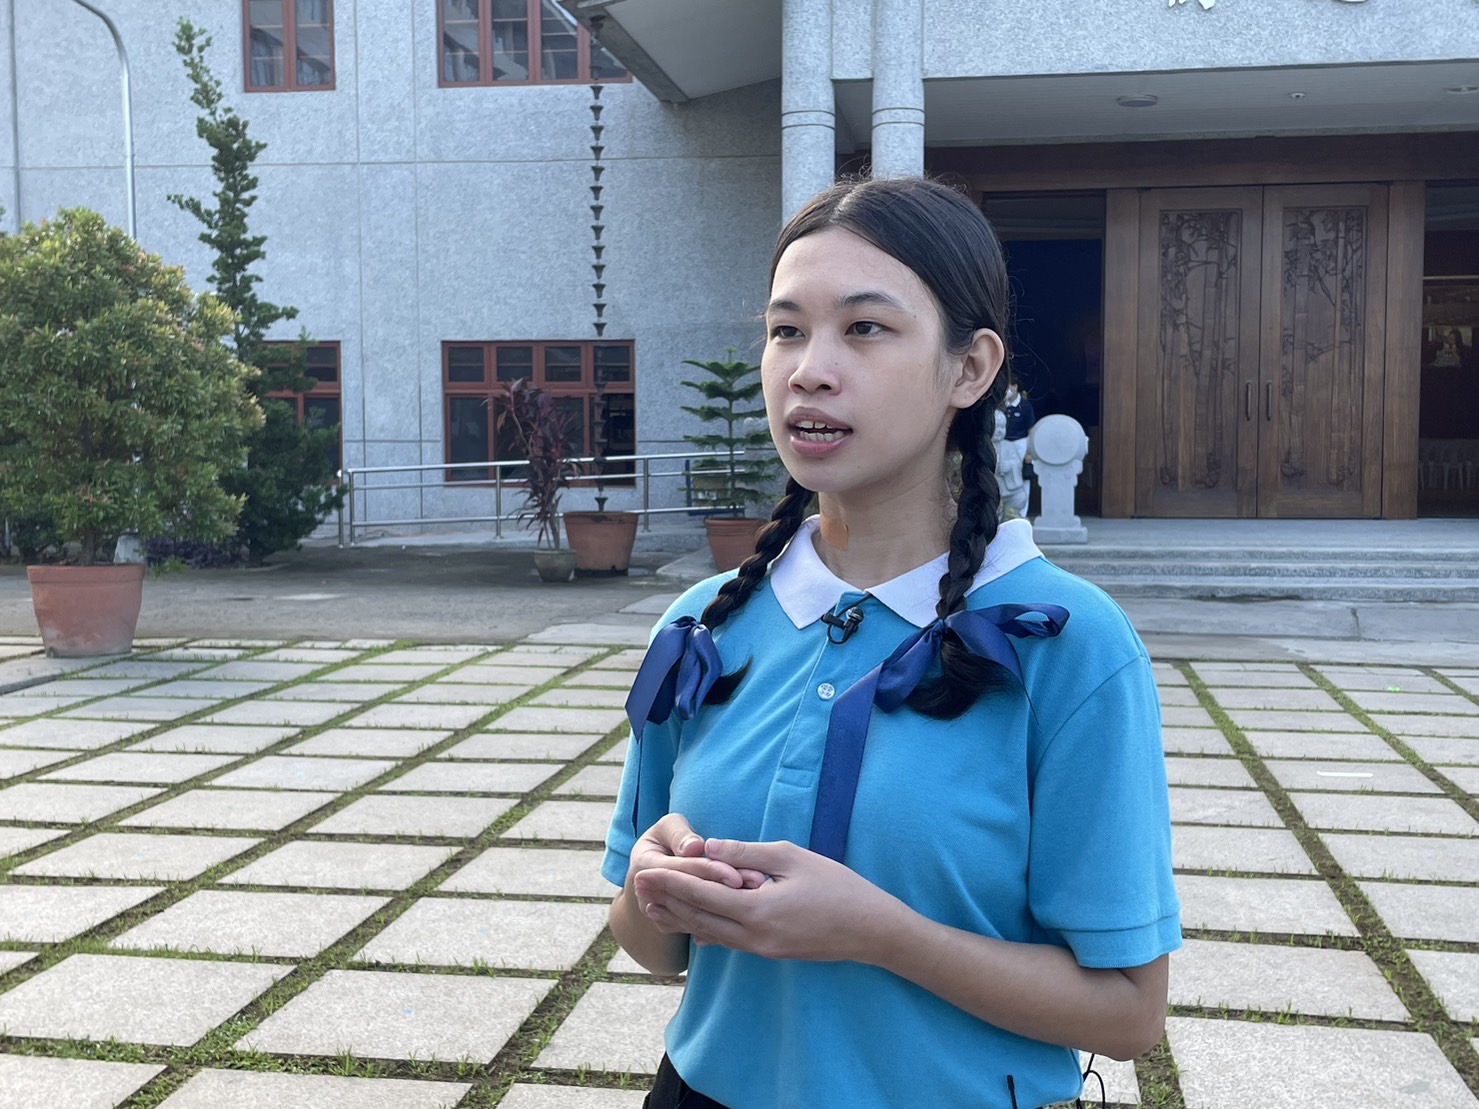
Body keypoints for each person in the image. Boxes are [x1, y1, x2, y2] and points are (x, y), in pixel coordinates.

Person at [603, 177, 1180, 1109]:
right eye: (787, 329)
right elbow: (650, 949)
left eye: (864, 329)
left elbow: (1125, 1013)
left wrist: (879, 931)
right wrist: (653, 887)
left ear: (969, 368)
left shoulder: (1067, 644)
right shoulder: (703, 622)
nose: (808, 369)